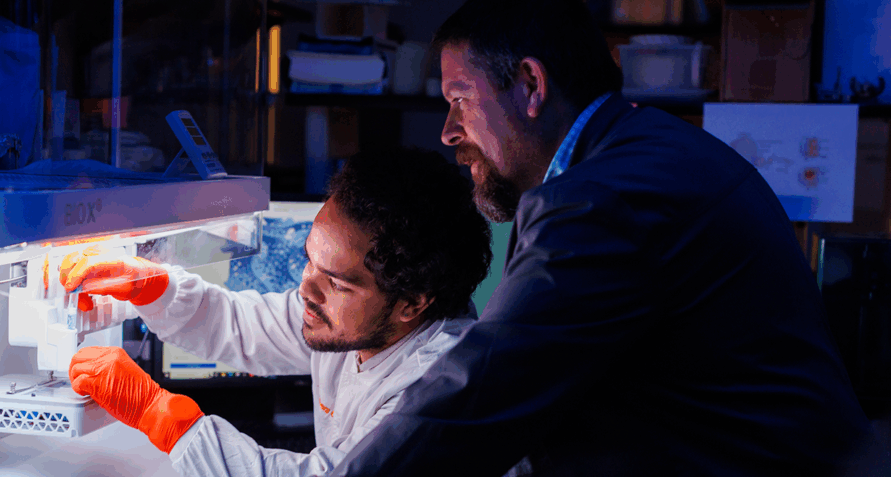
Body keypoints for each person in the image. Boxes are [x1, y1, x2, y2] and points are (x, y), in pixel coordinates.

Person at [330, 0, 884, 476]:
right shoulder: (658, 148)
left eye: (459, 100)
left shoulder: (600, 200)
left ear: (529, 85)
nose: (449, 131)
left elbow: (480, 394)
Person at [59, 147, 493, 476]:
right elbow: (240, 327)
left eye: (337, 282)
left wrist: (164, 417)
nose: (306, 288)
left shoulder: (437, 391)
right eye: (310, 260)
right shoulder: (358, 321)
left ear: (413, 303)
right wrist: (152, 287)